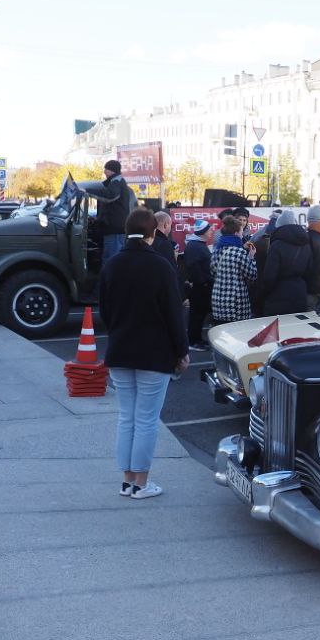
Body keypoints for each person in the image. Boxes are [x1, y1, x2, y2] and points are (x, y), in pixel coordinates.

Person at [99, 208, 189, 501]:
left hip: (121, 351)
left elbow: (106, 312)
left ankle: (127, 481)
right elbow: (174, 314)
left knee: (127, 418)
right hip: (155, 354)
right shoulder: (161, 266)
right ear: (153, 233)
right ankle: (142, 483)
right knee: (147, 419)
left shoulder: (112, 265)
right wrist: (182, 351)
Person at [260, 208, 311, 316]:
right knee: (295, 329)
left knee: (277, 330)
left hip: (278, 294)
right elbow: (310, 271)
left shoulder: (276, 245)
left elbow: (269, 277)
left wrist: (263, 293)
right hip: (300, 293)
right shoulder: (306, 244)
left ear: (279, 226)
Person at [210, 216, 257, 325]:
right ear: (236, 233)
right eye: (241, 232)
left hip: (218, 302)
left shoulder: (217, 251)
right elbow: (252, 275)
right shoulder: (239, 252)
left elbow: (213, 273)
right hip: (236, 305)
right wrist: (251, 257)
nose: (242, 235)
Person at [182, 219, 215, 349]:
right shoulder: (195, 246)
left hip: (202, 286)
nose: (212, 231)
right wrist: (203, 282)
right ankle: (193, 341)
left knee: (199, 315)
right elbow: (194, 268)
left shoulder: (198, 244)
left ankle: (197, 339)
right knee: (197, 315)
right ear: (203, 232)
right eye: (209, 229)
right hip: (200, 288)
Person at [99, 160, 132, 263]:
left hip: (114, 228)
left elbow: (111, 197)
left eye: (106, 169)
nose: (104, 171)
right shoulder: (115, 181)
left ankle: (111, 278)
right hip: (115, 227)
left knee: (112, 258)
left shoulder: (116, 182)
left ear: (111, 170)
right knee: (113, 257)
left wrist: (96, 191)